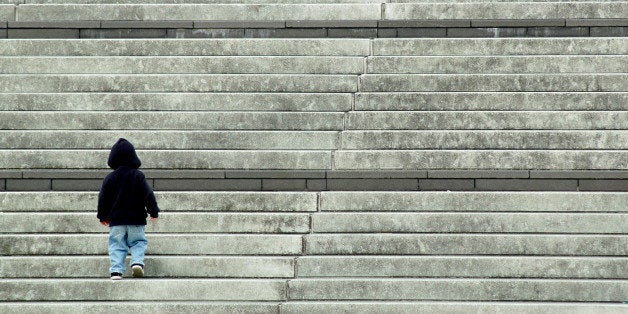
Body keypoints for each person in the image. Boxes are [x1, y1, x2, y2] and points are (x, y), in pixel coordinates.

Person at [97, 138, 159, 280]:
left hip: (117, 220)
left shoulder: (110, 178)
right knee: (138, 242)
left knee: (117, 245)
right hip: (136, 219)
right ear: (133, 157)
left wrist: (103, 216)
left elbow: (103, 198)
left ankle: (116, 271)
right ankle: (137, 262)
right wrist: (153, 211)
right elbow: (148, 194)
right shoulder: (138, 175)